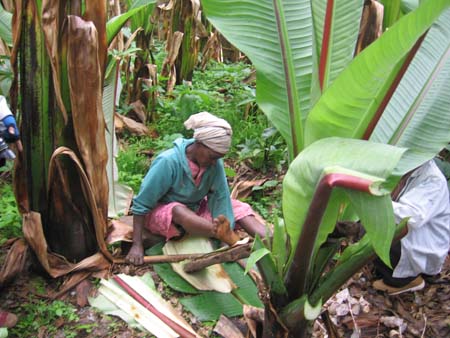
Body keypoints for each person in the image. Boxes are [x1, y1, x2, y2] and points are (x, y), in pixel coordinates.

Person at [126, 112, 268, 265]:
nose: (215, 163)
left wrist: (227, 226)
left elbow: (220, 197)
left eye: (218, 158)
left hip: (195, 210)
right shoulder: (168, 162)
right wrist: (137, 244)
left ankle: (272, 243)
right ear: (199, 144)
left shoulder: (214, 164)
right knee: (178, 210)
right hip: (162, 214)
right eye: (212, 157)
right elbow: (142, 204)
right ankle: (226, 236)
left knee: (238, 208)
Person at [372, 159, 450, 295]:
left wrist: (369, 198)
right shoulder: (404, 166)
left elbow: (410, 217)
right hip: (414, 234)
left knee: (367, 229)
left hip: (423, 244)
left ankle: (406, 281)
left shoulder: (433, 181)